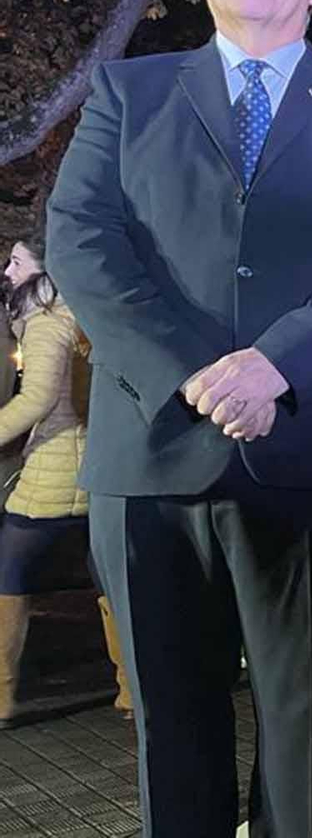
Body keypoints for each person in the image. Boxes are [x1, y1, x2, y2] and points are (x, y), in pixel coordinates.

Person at [45, 0, 312, 837]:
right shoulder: (126, 93)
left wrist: (276, 367)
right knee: (171, 728)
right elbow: (83, 242)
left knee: (304, 733)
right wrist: (193, 371)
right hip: (152, 453)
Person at [0, 234, 133, 726]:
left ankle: (3, 697)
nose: (7, 270)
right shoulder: (87, 314)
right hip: (98, 467)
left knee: (9, 572)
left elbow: (36, 401)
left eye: (16, 260)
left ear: (43, 266)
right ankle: (131, 691)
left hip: (53, 470)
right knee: (107, 578)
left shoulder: (43, 324)